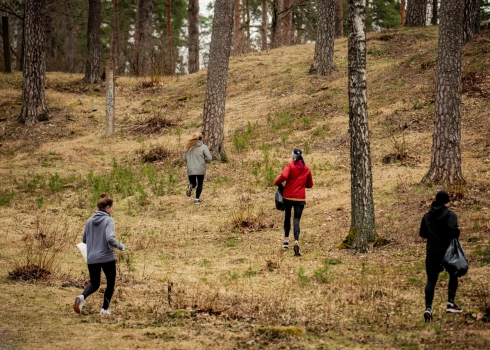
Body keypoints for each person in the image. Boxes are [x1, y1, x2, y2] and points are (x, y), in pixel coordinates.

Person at [73, 193, 126, 315]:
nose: (113, 210)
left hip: (91, 258)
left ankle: (82, 297)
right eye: (112, 207)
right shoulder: (109, 220)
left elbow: (85, 240)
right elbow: (110, 238)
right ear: (107, 207)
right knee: (111, 282)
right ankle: (104, 309)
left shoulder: (89, 220)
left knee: (95, 284)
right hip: (106, 257)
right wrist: (120, 246)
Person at [420, 190, 462, 323]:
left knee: (431, 281)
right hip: (448, 252)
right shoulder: (451, 215)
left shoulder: (427, 216)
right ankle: (450, 303)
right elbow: (454, 233)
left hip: (432, 252)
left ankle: (428, 308)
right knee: (453, 275)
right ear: (447, 202)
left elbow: (422, 233)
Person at [274, 148, 314, 256]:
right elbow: (310, 184)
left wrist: (276, 182)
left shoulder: (290, 165)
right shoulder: (306, 169)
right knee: (297, 219)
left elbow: (284, 176)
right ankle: (296, 241)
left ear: (293, 157)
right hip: (300, 198)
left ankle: (286, 241)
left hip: (288, 196)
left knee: (287, 217)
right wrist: (300, 184)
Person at [183, 132, 212, 204]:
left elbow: (184, 158)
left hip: (191, 169)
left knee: (193, 183)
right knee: (200, 184)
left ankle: (191, 186)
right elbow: (209, 158)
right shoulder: (203, 147)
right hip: (200, 168)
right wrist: (204, 161)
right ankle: (197, 200)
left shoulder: (188, 147)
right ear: (201, 138)